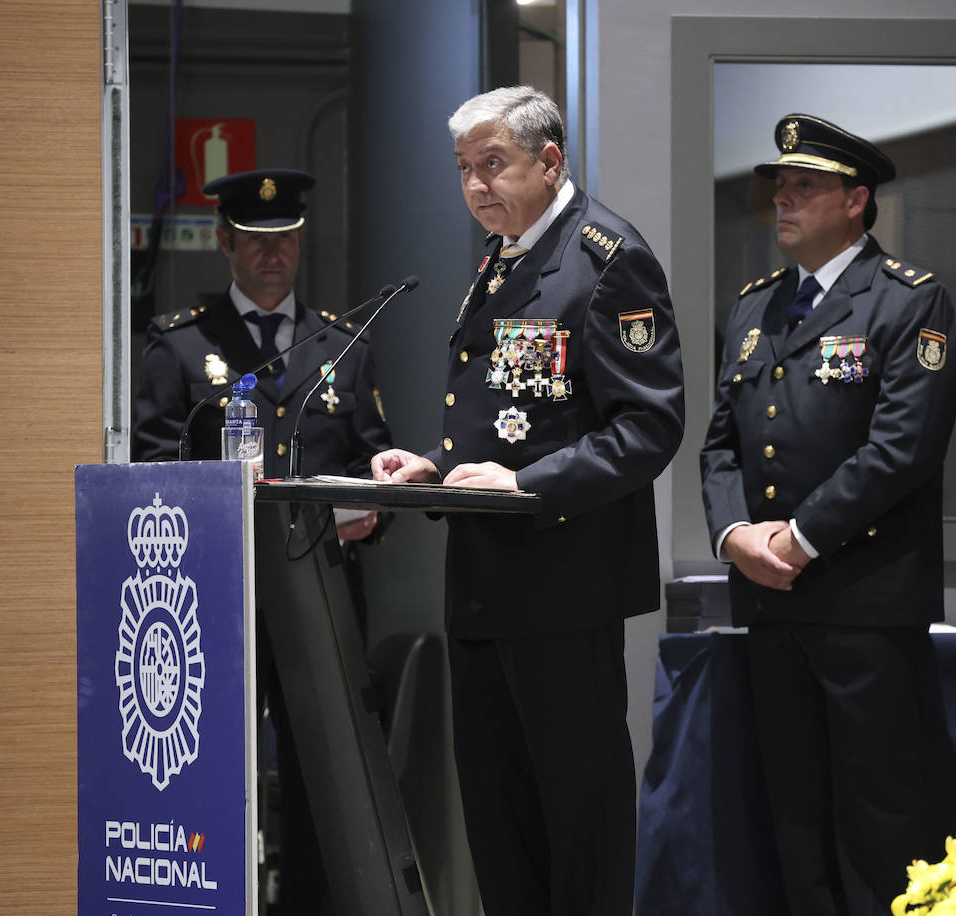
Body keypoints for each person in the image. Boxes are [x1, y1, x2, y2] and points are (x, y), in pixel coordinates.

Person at [370, 86, 685, 916]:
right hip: (484, 588)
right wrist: (437, 468)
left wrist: (528, 486)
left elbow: (648, 427)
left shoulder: (608, 259)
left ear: (549, 163)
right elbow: (512, 424)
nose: (475, 186)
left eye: (493, 165)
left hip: (564, 591)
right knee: (501, 827)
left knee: (577, 825)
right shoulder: (500, 259)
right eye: (465, 170)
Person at [699, 114, 956, 916]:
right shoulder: (753, 310)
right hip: (772, 605)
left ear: (856, 201)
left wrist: (799, 538)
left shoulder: (909, 303)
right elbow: (720, 448)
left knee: (880, 823)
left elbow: (901, 450)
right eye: (779, 187)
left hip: (866, 606)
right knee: (794, 821)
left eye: (803, 187)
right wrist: (735, 534)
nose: (781, 200)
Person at [131, 167, 393, 915]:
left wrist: (374, 509)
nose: (270, 255)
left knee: (325, 774)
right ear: (224, 241)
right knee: (217, 763)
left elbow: (379, 461)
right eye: (253, 240)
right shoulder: (179, 348)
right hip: (215, 599)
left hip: (321, 593)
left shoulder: (342, 347)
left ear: (301, 241)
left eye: (283, 240)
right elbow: (153, 471)